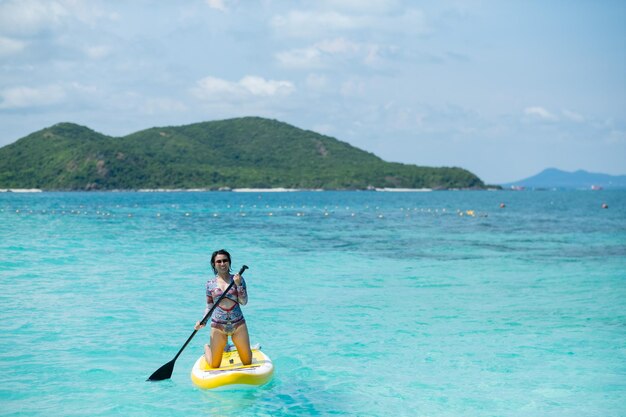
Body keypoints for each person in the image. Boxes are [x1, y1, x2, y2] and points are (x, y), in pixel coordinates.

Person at [194, 249, 252, 368]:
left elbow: (244, 301)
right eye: (218, 261)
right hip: (218, 326)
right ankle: (207, 348)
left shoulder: (238, 279)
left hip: (238, 324)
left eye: (225, 260)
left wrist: (239, 285)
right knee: (214, 366)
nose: (222, 263)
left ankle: (236, 347)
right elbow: (209, 306)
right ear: (214, 264)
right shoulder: (210, 284)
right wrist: (203, 321)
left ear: (229, 262)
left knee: (247, 362)